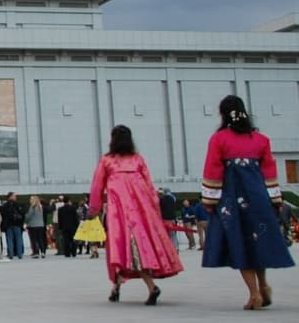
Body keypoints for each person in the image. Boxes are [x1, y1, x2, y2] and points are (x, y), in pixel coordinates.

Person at [200, 95, 294, 310]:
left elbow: (213, 169)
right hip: (258, 197)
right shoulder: (261, 139)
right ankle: (263, 285)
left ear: (224, 114)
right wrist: (275, 199)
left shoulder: (219, 139)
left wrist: (209, 200)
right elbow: (269, 170)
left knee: (239, 244)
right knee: (256, 241)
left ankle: (254, 294)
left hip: (232, 199)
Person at [88, 125, 183, 305]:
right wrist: (154, 212)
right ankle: (119, 288)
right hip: (141, 214)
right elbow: (150, 188)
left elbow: (97, 187)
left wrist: (93, 210)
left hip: (119, 215)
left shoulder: (107, 161)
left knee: (120, 249)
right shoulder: (138, 160)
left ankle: (143, 286)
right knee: (140, 248)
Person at [2, 192, 25, 260]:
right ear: (11, 196)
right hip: (17, 224)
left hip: (8, 224)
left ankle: (11, 254)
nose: (16, 197)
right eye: (15, 196)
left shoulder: (5, 205)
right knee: (18, 239)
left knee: (9, 239)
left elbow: (3, 215)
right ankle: (19, 254)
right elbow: (22, 214)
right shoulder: (17, 204)